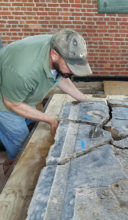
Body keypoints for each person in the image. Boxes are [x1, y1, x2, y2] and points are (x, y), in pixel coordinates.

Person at [0, 29, 92, 173]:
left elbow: (62, 77)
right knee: (21, 143)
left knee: (30, 127)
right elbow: (12, 103)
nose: (73, 72)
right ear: (54, 55)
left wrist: (86, 100)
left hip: (19, 89)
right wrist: (50, 120)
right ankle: (13, 171)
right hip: (5, 100)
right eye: (71, 66)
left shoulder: (61, 45)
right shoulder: (23, 72)